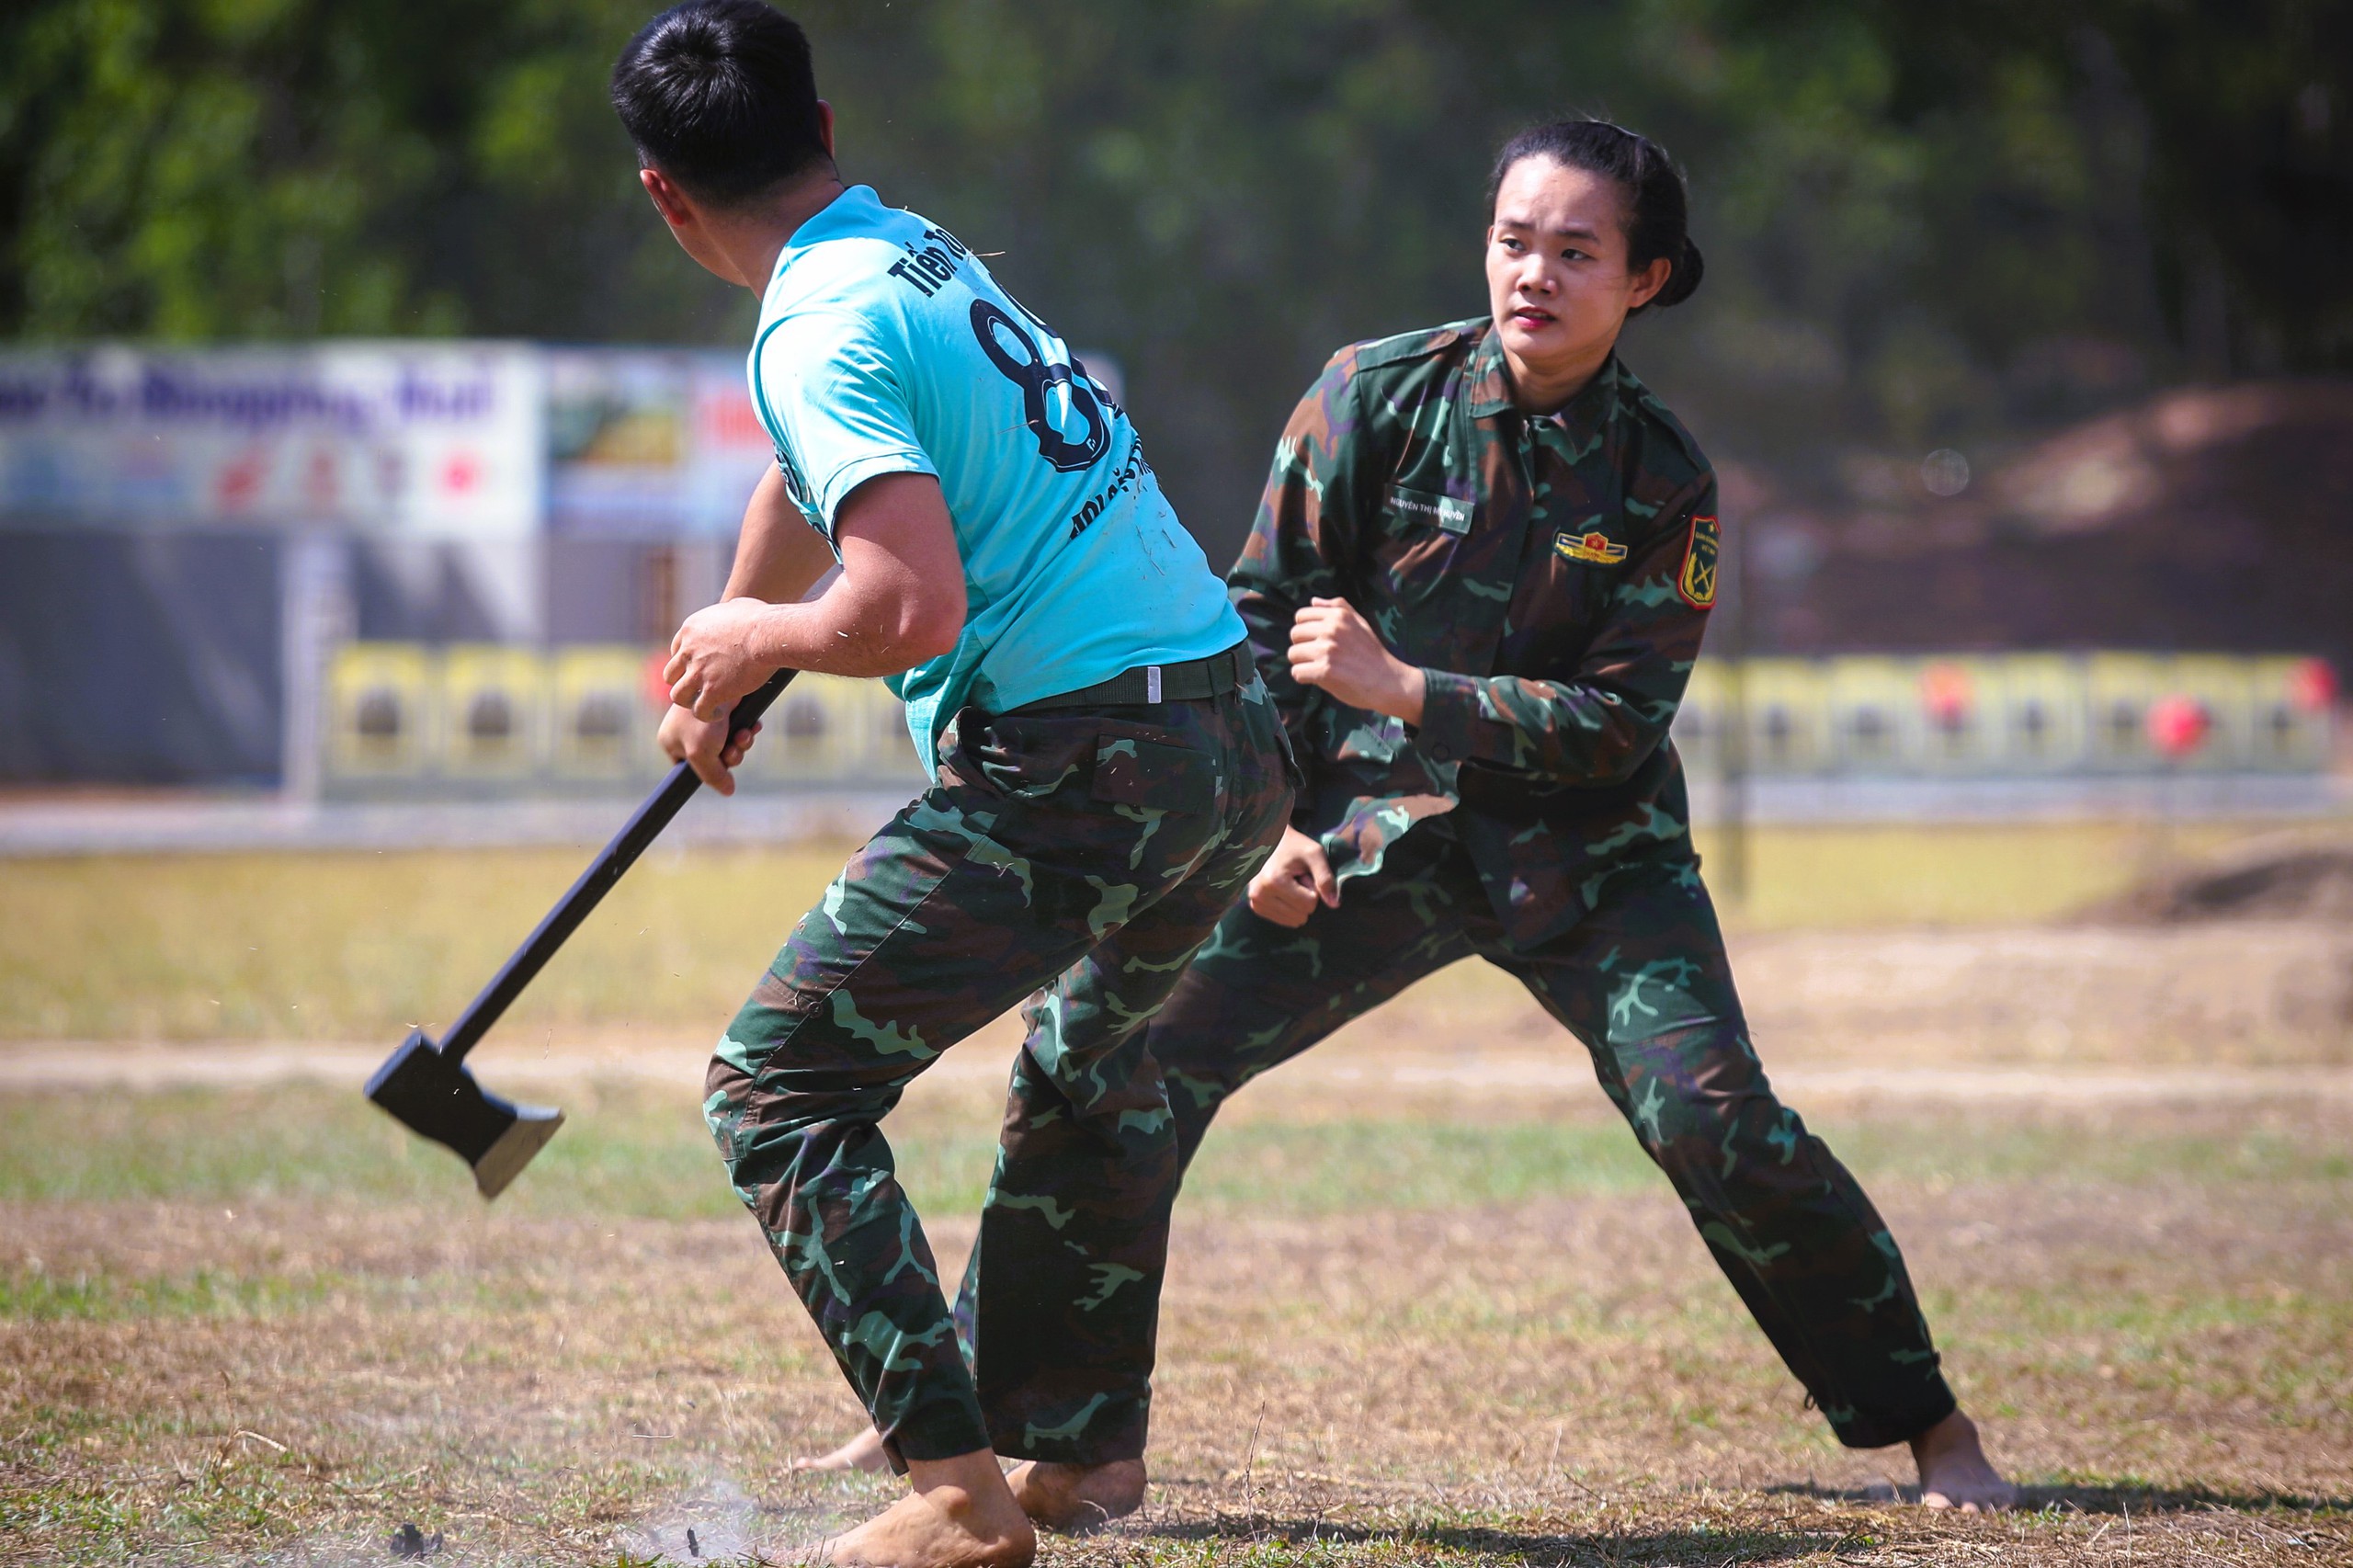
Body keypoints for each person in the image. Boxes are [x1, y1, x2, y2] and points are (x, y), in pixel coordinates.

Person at [808, 117, 2019, 1514]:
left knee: (1715, 1115)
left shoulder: (1662, 476)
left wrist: (1410, 686)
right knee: (1110, 1045)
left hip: (1593, 858)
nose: (1536, 274)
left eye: (1578, 251)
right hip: (1358, 841)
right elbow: (1251, 627)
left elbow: (1620, 723)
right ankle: (993, 1403)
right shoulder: (1370, 394)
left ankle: (1933, 1429)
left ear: (1648, 281)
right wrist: (1263, 826)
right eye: (1515, 241)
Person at [608, 6, 1295, 1564]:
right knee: (1087, 1060)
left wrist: (758, 631)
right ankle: (1077, 1449)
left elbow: (909, 606)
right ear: (828, 130)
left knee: (778, 1087)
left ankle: (957, 1495)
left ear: (664, 193)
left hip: (1082, 760)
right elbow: (814, 474)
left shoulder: (812, 323)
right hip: (1229, 736)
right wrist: (740, 664)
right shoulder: (906, 249)